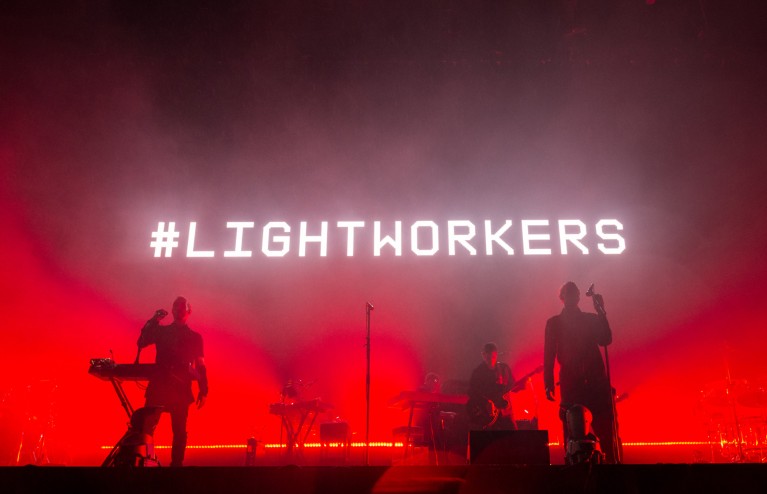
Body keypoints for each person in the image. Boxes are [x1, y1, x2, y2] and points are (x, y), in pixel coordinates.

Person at [543, 282, 615, 463]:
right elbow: (549, 354)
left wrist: (601, 313)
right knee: (572, 429)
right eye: (568, 294)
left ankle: (612, 465)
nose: (571, 297)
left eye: (574, 294)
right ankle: (573, 467)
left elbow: (605, 339)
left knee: (605, 428)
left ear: (578, 297)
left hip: (594, 380)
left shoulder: (590, 319)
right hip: (572, 382)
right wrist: (548, 383)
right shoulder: (554, 323)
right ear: (562, 298)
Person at [136, 296, 208, 466]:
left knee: (179, 432)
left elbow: (200, 365)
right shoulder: (162, 331)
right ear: (173, 309)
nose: (179, 309)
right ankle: (144, 462)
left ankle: (175, 466)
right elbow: (141, 342)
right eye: (176, 306)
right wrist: (153, 320)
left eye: (182, 306)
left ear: (189, 311)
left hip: (179, 389)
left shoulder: (194, 337)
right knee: (147, 428)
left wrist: (204, 389)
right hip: (161, 386)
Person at [467, 342, 518, 430]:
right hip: (488, 415)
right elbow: (471, 392)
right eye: (488, 357)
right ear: (483, 355)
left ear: (496, 355)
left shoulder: (504, 369)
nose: (490, 359)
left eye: (493, 357)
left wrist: (521, 386)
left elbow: (513, 385)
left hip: (504, 412)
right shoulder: (478, 373)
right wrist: (486, 402)